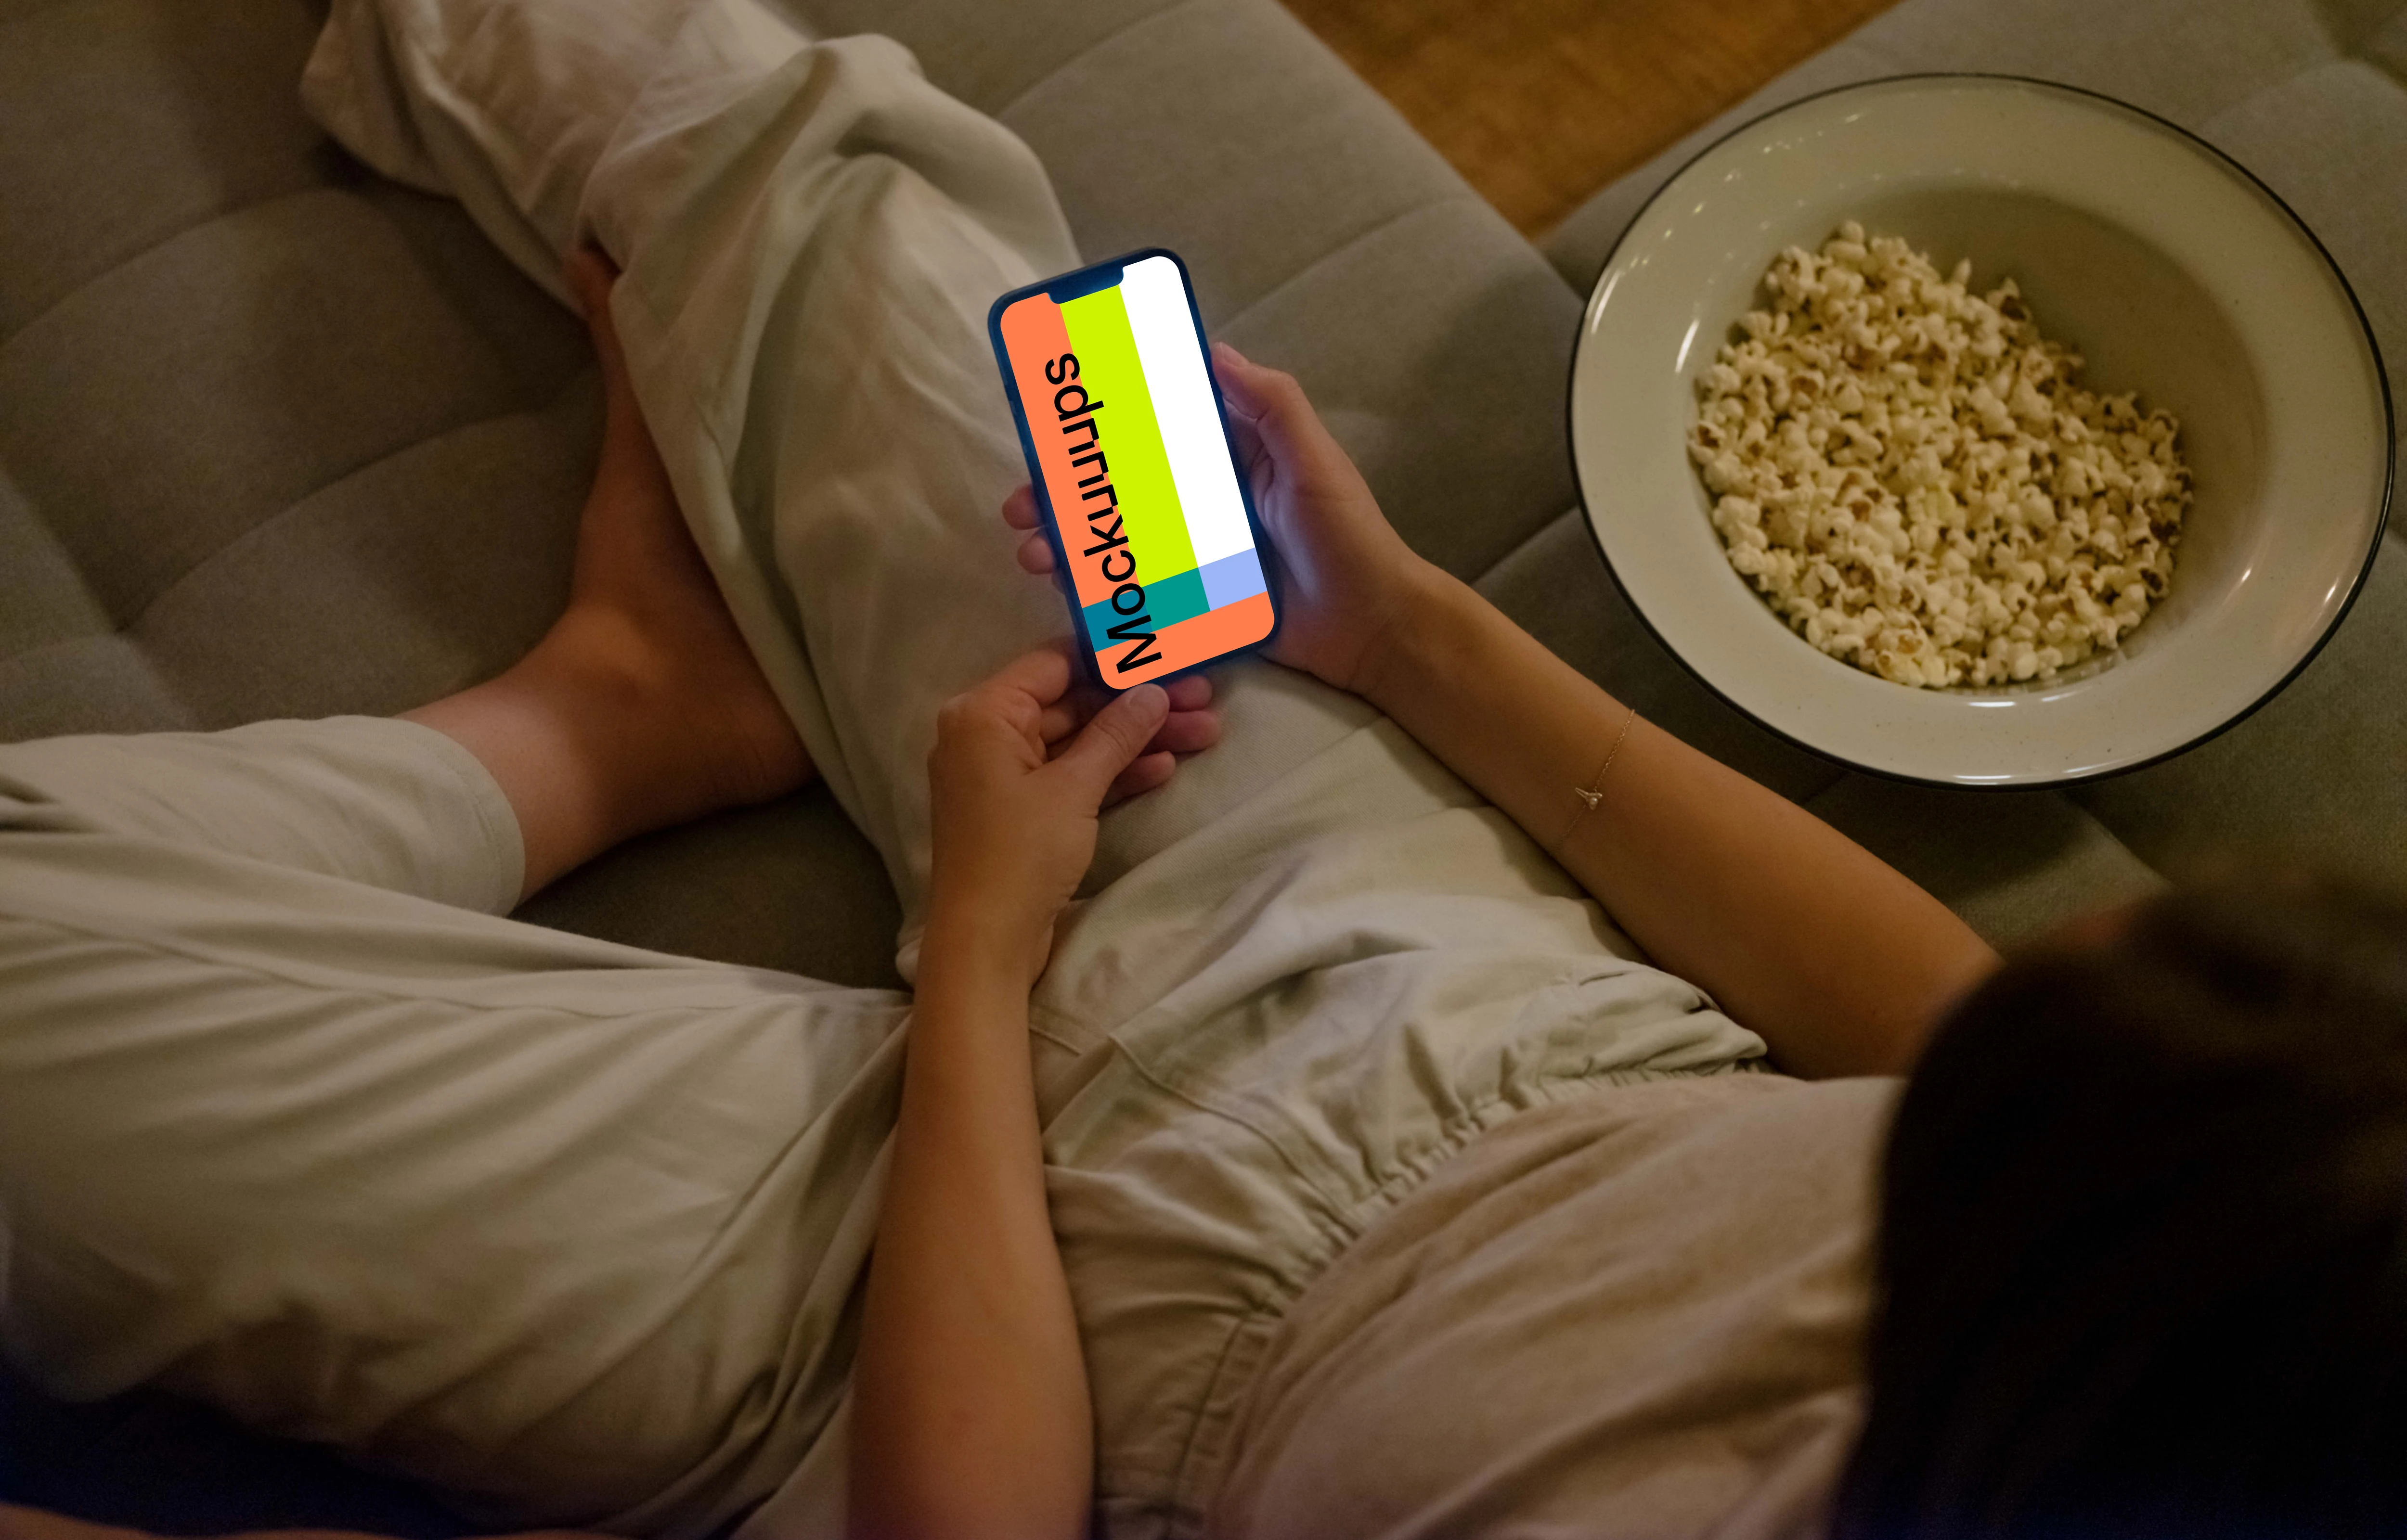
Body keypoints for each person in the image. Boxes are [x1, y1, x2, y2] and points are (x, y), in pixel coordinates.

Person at [0, 4, 2399, 1540]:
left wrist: (987, 954)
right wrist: (1409, 632)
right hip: (1407, 995)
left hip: (978, 1372)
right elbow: (1926, 1023)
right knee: (836, 207)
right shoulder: (2273, 1233)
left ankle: (609, 711)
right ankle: (643, 695)